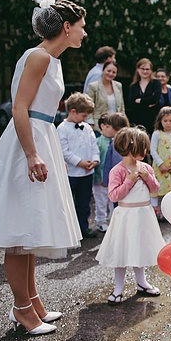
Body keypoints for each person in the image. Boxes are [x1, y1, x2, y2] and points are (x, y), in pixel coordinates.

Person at [0, 0, 86, 336]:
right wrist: (32, 154)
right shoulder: (37, 57)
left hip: (42, 134)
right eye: (81, 26)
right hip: (27, 141)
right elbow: (20, 108)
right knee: (19, 233)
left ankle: (33, 301)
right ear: (66, 27)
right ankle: (21, 309)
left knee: (31, 229)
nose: (84, 32)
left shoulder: (52, 60)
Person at [96, 127, 166, 305]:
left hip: (143, 214)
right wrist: (129, 181)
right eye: (143, 147)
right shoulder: (117, 171)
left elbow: (156, 189)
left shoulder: (146, 167)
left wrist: (147, 177)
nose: (146, 151)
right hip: (126, 216)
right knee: (122, 250)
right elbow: (113, 196)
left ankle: (141, 282)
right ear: (130, 147)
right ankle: (118, 287)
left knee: (139, 248)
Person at [58, 92, 100, 239]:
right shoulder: (62, 128)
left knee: (84, 203)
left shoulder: (87, 128)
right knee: (69, 202)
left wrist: (94, 160)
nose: (85, 118)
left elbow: (94, 146)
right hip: (71, 173)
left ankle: (83, 227)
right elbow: (64, 151)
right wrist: (79, 162)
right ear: (73, 111)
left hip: (87, 174)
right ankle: (67, 232)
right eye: (83, 115)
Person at [93, 112, 130, 232]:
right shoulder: (98, 141)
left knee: (114, 202)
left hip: (116, 180)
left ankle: (115, 221)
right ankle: (100, 221)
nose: (107, 129)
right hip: (100, 178)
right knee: (101, 202)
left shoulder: (122, 144)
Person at [150, 107, 171, 218]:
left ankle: (169, 212)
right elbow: (153, 150)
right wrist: (160, 164)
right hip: (160, 168)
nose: (168, 123)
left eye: (170, 121)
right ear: (160, 121)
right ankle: (155, 210)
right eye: (165, 121)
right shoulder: (157, 134)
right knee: (156, 189)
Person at [127, 58, 161, 134]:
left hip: (152, 119)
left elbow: (155, 98)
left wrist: (140, 101)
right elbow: (130, 103)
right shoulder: (133, 86)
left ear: (151, 71)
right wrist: (147, 103)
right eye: (142, 69)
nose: (145, 71)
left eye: (147, 69)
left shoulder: (155, 83)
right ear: (138, 70)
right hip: (137, 119)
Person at [86, 60, 125, 126]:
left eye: (114, 72)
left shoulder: (118, 86)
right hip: (99, 125)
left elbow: (122, 107)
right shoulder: (93, 86)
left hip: (116, 125)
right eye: (108, 71)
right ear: (103, 70)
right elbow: (88, 107)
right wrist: (90, 123)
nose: (111, 74)